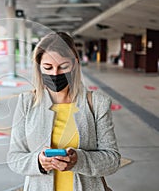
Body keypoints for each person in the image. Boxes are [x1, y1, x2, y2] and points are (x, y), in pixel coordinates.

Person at [7, 32, 120, 191]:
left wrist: (79, 160)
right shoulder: (26, 102)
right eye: (48, 67)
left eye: (63, 66)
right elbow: (14, 158)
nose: (55, 73)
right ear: (38, 67)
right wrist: (38, 162)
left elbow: (112, 160)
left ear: (75, 64)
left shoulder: (97, 103)